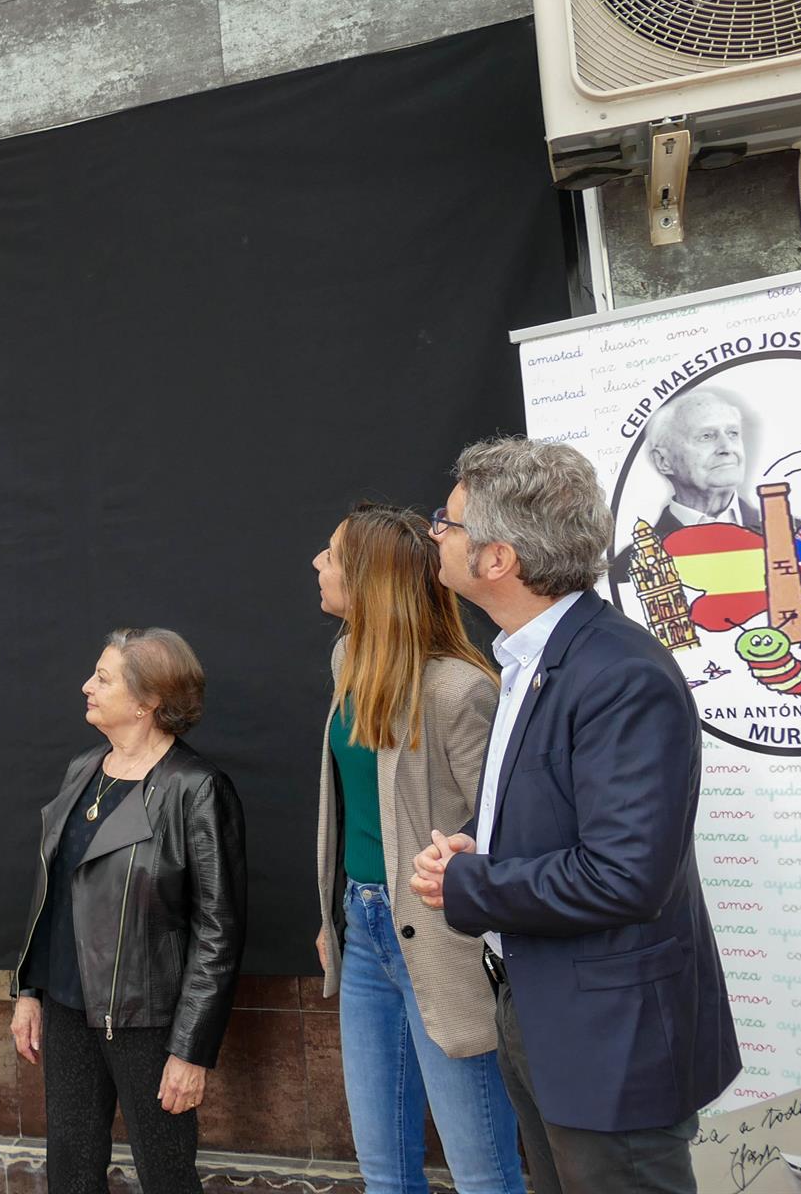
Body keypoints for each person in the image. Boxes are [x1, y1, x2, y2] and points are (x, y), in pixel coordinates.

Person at [409, 437, 739, 1194]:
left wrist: (472, 883)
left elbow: (623, 877)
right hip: (546, 1011)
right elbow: (570, 822)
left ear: (499, 560)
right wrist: (484, 846)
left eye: (448, 523)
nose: (435, 534)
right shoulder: (535, 656)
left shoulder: (618, 672)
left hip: (610, 1040)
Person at [310, 506, 522, 1194]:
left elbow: (508, 835)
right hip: (363, 930)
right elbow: (354, 810)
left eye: (333, 555)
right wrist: (333, 917)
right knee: (383, 1171)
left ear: (371, 580)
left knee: (483, 1173)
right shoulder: (346, 658)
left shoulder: (459, 691)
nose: (318, 564)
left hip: (444, 941)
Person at [11, 628, 246, 1194]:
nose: (86, 686)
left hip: (149, 1021)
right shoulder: (83, 770)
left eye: (104, 678)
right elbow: (55, 892)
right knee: (70, 1175)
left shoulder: (196, 789)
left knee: (166, 1177)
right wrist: (29, 991)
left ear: (147, 702)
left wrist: (190, 1051)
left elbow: (219, 931)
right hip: (67, 1010)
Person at [645, 389, 760, 538]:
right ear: (663, 461)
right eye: (706, 436)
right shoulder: (633, 560)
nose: (727, 447)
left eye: (733, 433)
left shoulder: (793, 538)